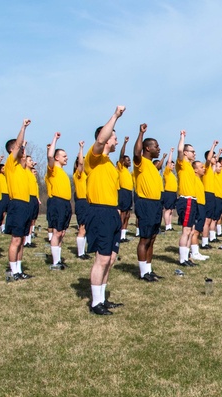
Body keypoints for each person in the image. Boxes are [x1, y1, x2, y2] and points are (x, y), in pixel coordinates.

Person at [83, 106, 127, 315]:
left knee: (110, 258)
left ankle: (102, 298)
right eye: (114, 137)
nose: (116, 141)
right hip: (98, 212)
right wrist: (115, 116)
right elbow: (100, 140)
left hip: (111, 212)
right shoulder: (94, 159)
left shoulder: (110, 165)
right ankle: (95, 303)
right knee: (101, 258)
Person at [2, 120, 34, 280]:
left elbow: (22, 153)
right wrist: (23, 127)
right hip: (17, 205)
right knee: (16, 239)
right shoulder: (10, 165)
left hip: (26, 205)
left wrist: (24, 147)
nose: (22, 150)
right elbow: (18, 145)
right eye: (19, 147)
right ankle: (13, 271)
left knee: (22, 239)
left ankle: (19, 270)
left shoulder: (21, 168)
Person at [132, 123, 164, 282]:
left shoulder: (152, 167)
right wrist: (141, 134)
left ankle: (149, 270)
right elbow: (136, 152)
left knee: (152, 237)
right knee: (144, 238)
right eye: (156, 146)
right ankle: (143, 273)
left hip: (156, 204)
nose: (159, 149)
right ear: (148, 148)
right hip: (145, 203)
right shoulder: (140, 163)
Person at [45, 132, 72, 270]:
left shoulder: (63, 173)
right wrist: (55, 139)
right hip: (57, 203)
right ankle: (55, 263)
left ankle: (58, 259)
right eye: (64, 156)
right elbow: (49, 156)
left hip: (66, 204)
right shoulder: (53, 170)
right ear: (57, 157)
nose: (66, 158)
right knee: (56, 232)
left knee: (62, 232)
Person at [174, 133, 199, 267]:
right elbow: (179, 151)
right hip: (186, 200)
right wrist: (182, 137)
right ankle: (182, 259)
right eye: (192, 151)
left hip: (193, 200)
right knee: (186, 231)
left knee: (191, 230)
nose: (194, 154)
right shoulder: (182, 164)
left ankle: (187, 257)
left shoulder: (189, 166)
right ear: (185, 153)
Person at [73, 141, 90, 259]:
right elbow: (80, 163)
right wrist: (81, 148)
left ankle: (84, 252)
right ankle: (80, 253)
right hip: (82, 202)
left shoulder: (87, 175)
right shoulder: (78, 175)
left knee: (86, 228)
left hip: (88, 202)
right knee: (82, 228)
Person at [116, 137, 133, 242]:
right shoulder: (121, 168)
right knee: (122, 213)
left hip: (129, 192)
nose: (129, 161)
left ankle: (123, 235)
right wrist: (125, 143)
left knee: (127, 214)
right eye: (127, 160)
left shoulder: (128, 171)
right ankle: (118, 234)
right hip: (122, 192)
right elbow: (121, 155)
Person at [160, 152, 177, 232]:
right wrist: (171, 152)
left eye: (173, 165)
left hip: (173, 193)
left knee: (171, 210)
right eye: (172, 165)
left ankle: (170, 225)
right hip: (168, 193)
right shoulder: (166, 173)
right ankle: (167, 226)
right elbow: (169, 162)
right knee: (167, 210)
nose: (173, 166)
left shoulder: (172, 175)